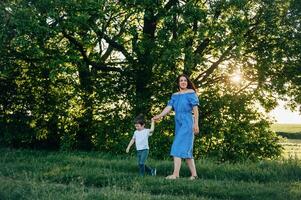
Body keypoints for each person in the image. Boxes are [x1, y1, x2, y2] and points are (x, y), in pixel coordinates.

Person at [153, 74, 199, 180]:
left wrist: (196, 124)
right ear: (178, 83)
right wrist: (159, 116)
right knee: (187, 151)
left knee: (176, 146)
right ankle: (194, 175)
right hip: (178, 122)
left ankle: (175, 174)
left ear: (187, 82)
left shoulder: (191, 93)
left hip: (188, 122)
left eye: (185, 80)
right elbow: (169, 107)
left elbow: (195, 110)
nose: (183, 82)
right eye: (181, 80)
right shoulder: (175, 95)